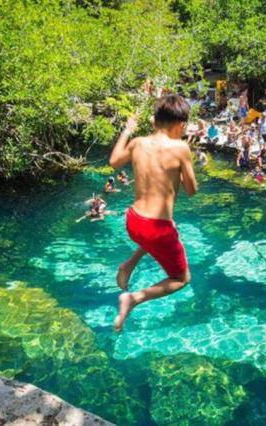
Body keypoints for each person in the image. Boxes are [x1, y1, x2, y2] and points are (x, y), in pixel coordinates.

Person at [108, 95, 197, 332]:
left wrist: (128, 130)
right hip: (156, 227)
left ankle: (128, 265)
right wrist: (178, 171)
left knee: (161, 232)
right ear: (180, 125)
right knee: (181, 279)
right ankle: (134, 299)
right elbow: (191, 190)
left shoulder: (137, 142)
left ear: (155, 121)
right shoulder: (180, 147)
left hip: (133, 220)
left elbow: (114, 161)